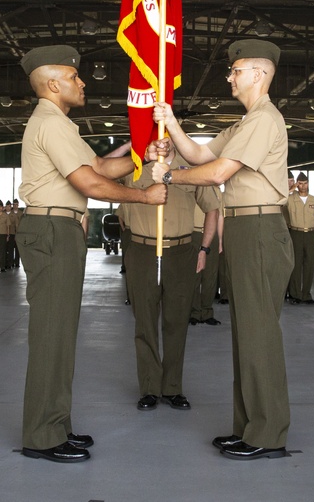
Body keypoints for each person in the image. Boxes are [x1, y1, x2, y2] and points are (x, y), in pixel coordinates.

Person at [16, 44, 166, 464]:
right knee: (51, 335)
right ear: (52, 83)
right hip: (51, 229)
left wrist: (144, 156)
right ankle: (42, 435)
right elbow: (90, 185)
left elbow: (99, 167)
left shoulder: (59, 123)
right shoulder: (50, 123)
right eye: (74, 76)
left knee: (60, 333)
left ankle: (56, 424)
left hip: (60, 228)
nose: (82, 82)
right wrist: (144, 196)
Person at [151, 38, 293, 461]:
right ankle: (248, 427)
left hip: (261, 228)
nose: (229, 76)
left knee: (259, 335)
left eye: (236, 70)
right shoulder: (245, 122)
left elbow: (218, 172)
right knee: (247, 334)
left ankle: (268, 434)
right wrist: (171, 122)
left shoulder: (265, 119)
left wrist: (171, 176)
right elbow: (200, 152)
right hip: (246, 227)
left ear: (259, 74)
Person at [123, 147, 219, 412]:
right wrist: (133, 145)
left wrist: (205, 248)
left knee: (177, 322)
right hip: (143, 250)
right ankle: (150, 388)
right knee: (145, 322)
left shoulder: (190, 168)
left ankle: (172, 387)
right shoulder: (134, 164)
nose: (162, 138)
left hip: (180, 252)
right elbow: (101, 170)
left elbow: (212, 207)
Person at [286, 172, 314, 304]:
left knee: (309, 265)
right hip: (296, 233)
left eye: (305, 183)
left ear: (308, 183)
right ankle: (295, 295)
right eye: (300, 183)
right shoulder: (290, 198)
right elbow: (280, 198)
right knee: (295, 265)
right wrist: (292, 188)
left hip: (310, 234)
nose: (303, 186)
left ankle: (306, 294)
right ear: (297, 184)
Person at [190, 191, 223, 324]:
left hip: (212, 235)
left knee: (210, 275)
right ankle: (194, 312)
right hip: (194, 233)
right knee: (193, 275)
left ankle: (207, 312)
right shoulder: (193, 186)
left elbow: (219, 217)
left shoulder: (217, 191)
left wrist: (220, 240)